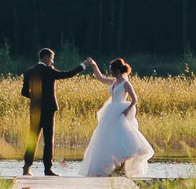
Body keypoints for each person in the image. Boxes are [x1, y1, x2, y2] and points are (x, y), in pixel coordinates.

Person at [19, 47, 91, 176]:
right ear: (46, 58)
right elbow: (67, 74)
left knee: (32, 139)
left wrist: (36, 98)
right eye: (52, 59)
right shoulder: (48, 71)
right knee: (48, 140)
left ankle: (26, 167)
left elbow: (24, 92)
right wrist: (83, 65)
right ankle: (48, 169)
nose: (52, 62)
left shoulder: (29, 72)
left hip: (35, 110)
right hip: (48, 110)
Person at [80, 57, 155, 178]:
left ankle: (122, 167)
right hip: (111, 112)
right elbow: (100, 78)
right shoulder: (114, 82)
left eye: (112, 70)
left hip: (120, 112)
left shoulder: (125, 83)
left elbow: (135, 99)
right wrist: (94, 65)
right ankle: (115, 167)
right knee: (109, 140)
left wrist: (126, 111)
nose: (110, 72)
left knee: (123, 139)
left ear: (117, 70)